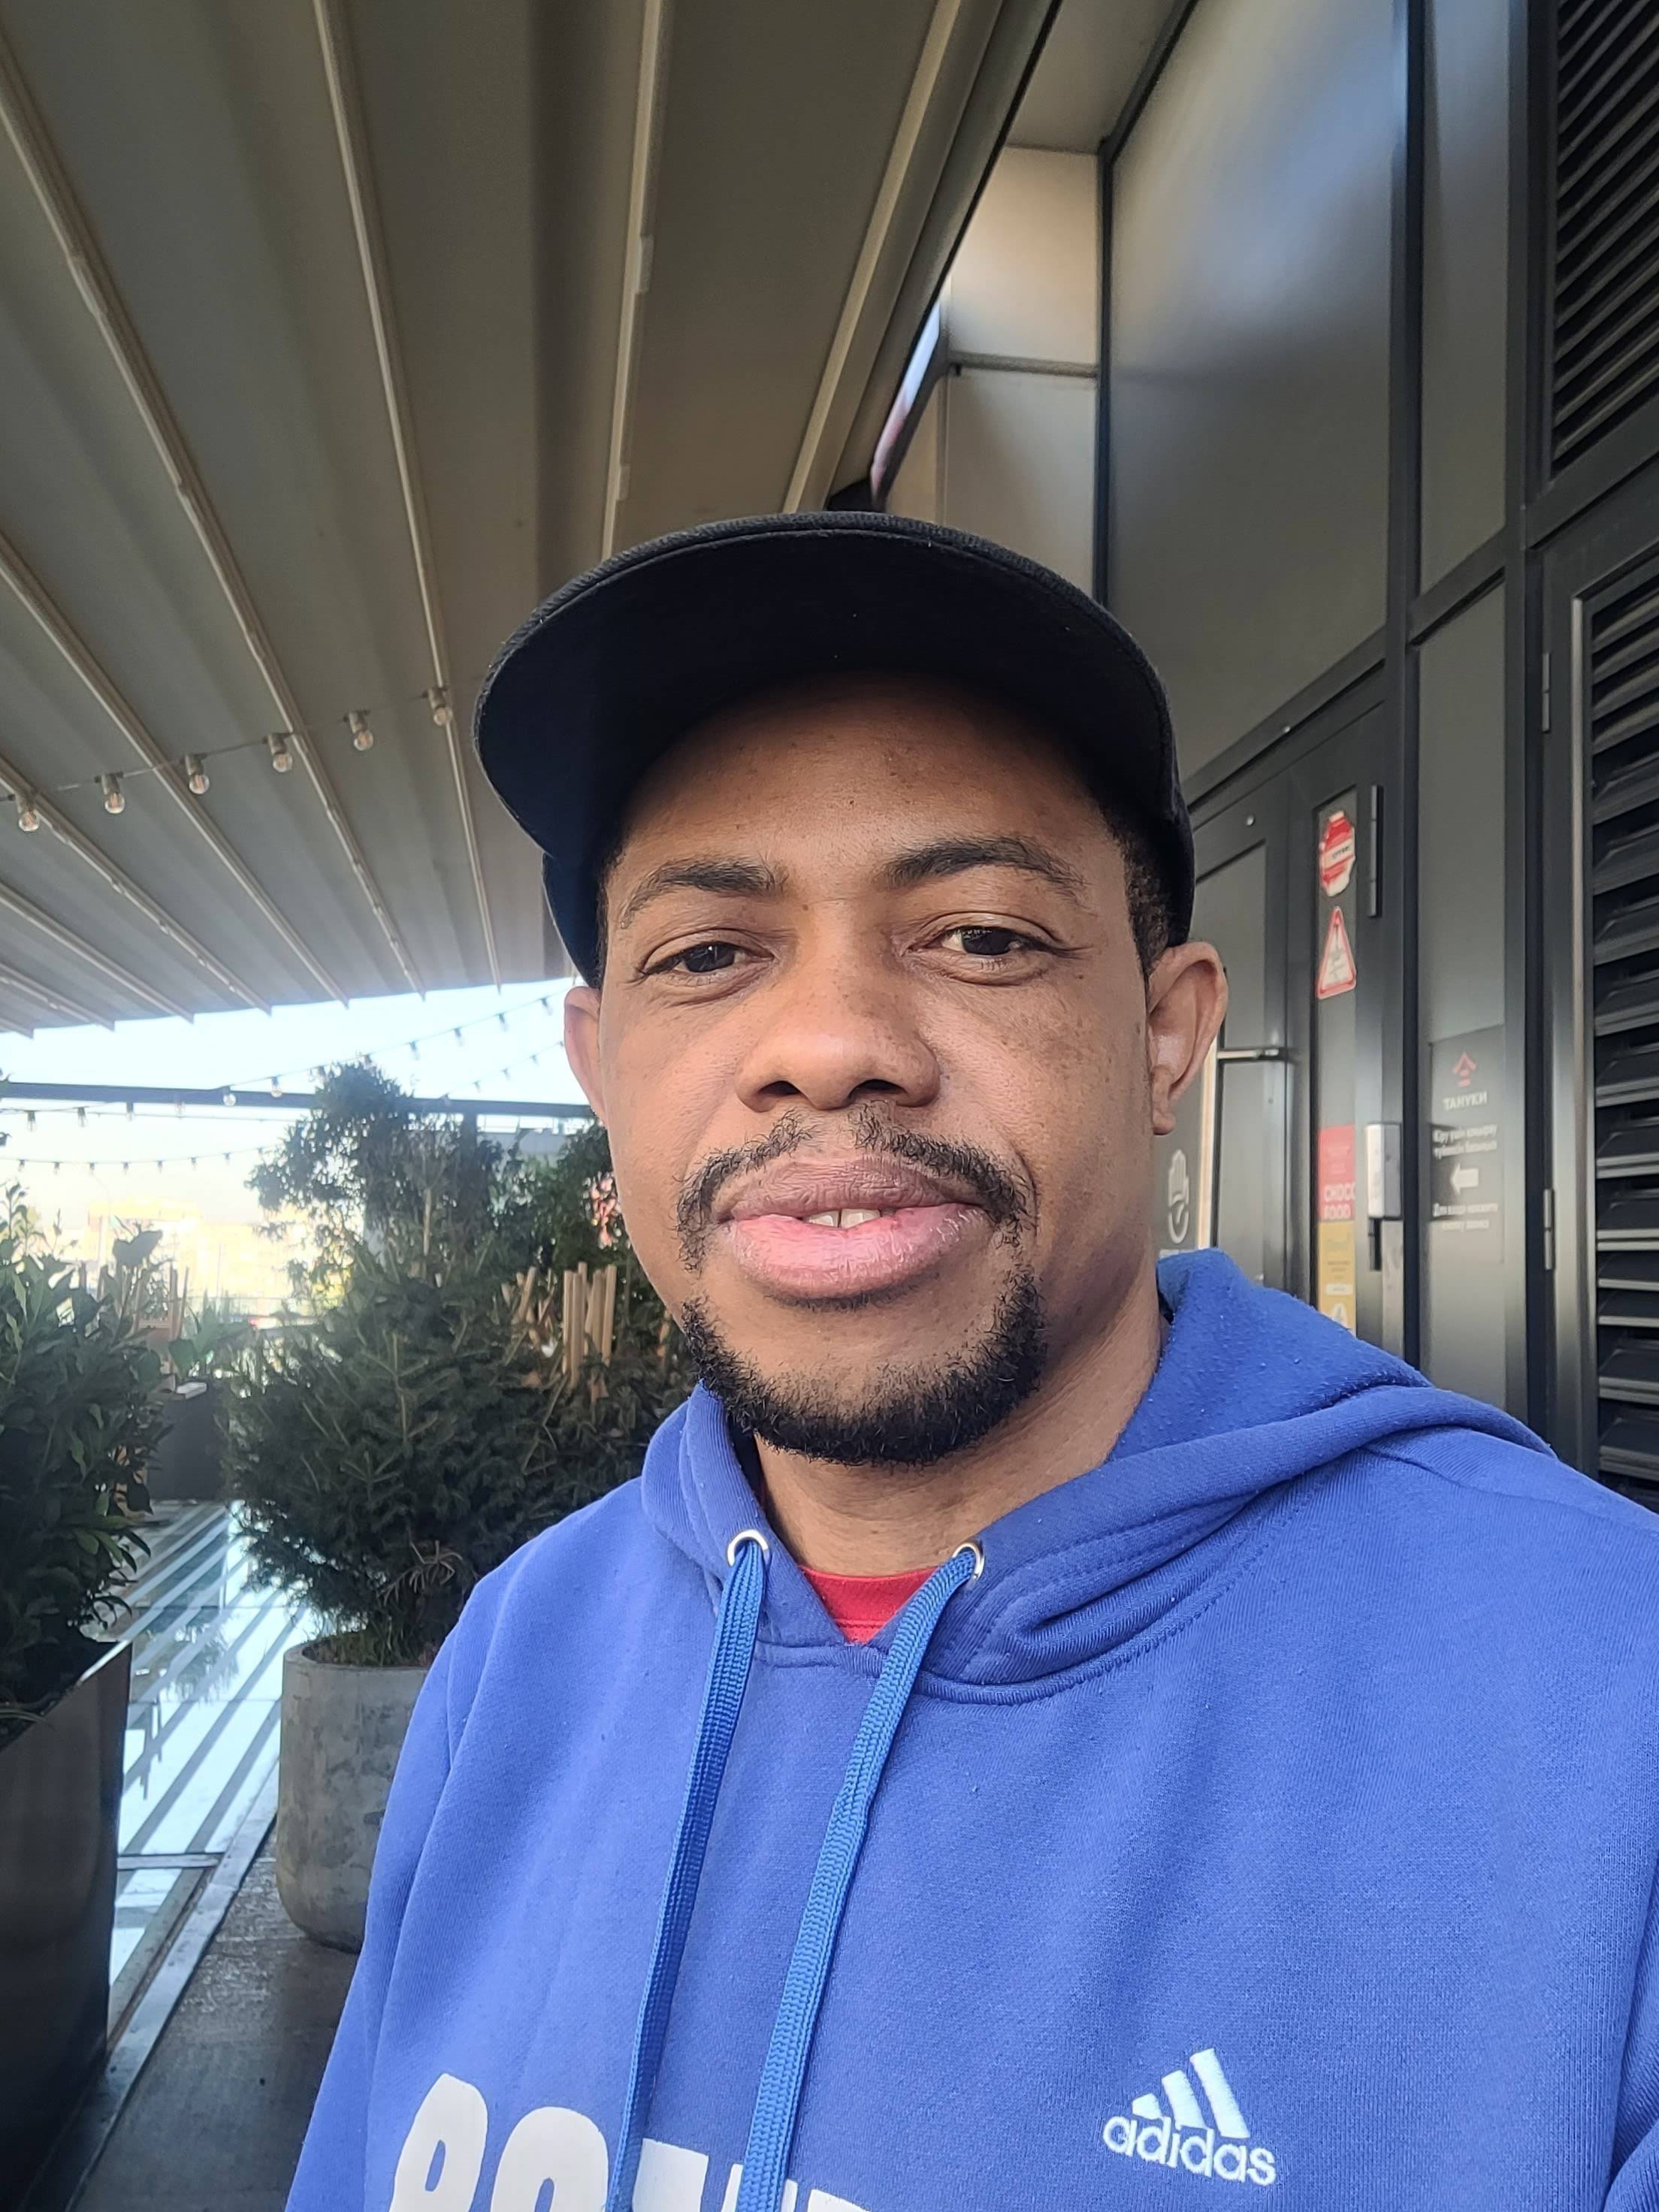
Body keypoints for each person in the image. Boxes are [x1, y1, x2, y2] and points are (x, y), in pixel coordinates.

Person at [288, 514, 1659, 2212]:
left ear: (1167, 1035)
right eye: (706, 956)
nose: (829, 1046)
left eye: (983, 936)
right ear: (600, 1063)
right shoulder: (516, 1658)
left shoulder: (1604, 1707)